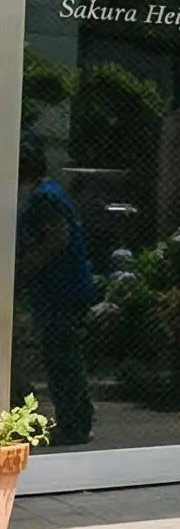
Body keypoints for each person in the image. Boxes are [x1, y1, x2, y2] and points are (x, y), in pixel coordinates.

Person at [16, 140, 94, 446]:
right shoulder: (49, 193)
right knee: (65, 357)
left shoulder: (43, 199)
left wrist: (24, 268)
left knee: (61, 358)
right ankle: (77, 419)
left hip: (61, 290)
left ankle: (74, 424)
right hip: (63, 288)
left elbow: (56, 239)